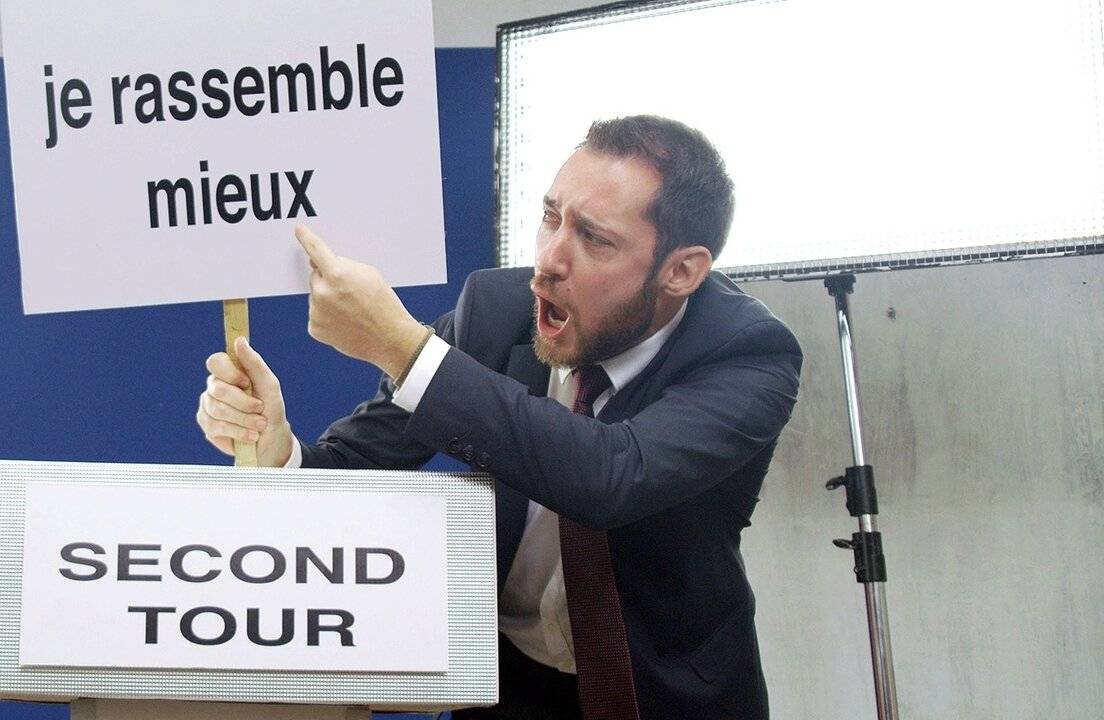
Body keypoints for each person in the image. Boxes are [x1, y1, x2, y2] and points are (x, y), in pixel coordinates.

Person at [197, 115, 802, 720]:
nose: (548, 262)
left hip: (667, 693)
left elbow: (612, 476)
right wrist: (278, 449)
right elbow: (349, 465)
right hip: (506, 685)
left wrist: (403, 349)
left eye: (594, 239)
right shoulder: (495, 312)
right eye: (550, 218)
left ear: (681, 271)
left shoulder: (747, 354)